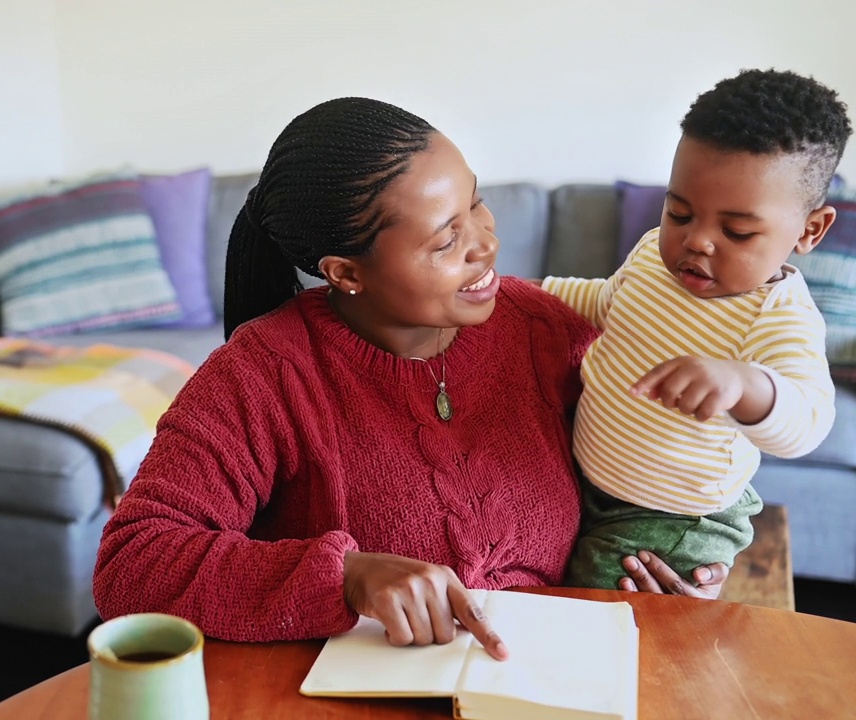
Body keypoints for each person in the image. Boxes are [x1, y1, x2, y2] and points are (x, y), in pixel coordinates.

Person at [92, 97, 727, 659]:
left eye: (476, 202)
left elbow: (648, 464)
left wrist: (669, 557)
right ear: (345, 273)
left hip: (541, 673)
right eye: (446, 239)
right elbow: (131, 564)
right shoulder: (264, 373)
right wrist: (345, 576)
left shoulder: (546, 330)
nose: (485, 243)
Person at [542, 69, 848, 589]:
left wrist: (745, 384)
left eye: (737, 231)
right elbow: (602, 303)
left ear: (809, 230)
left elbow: (810, 419)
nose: (697, 241)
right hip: (592, 478)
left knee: (596, 604)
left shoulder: (774, 314)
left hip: (675, 517)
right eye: (680, 213)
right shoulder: (651, 257)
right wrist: (522, 292)